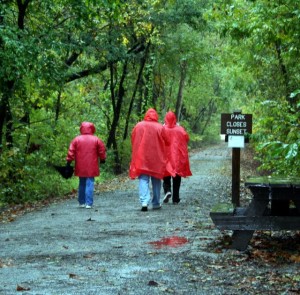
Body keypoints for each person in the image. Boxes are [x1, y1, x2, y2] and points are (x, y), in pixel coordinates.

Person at [129, 108, 174, 212]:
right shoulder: (159, 127)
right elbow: (167, 141)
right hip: (156, 158)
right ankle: (156, 203)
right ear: (156, 116)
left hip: (142, 157)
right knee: (156, 180)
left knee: (143, 179)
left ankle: (144, 202)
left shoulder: (138, 125)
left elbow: (133, 138)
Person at [66, 122, 106, 209]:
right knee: (90, 183)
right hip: (92, 165)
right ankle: (89, 203)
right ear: (92, 128)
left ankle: (81, 202)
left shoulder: (76, 139)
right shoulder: (96, 139)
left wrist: (69, 161)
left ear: (81, 128)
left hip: (80, 166)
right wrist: (103, 159)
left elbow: (71, 151)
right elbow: (102, 150)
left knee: (82, 183)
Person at [162, 111, 192, 204]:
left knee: (166, 175)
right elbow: (187, 138)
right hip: (177, 157)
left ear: (165, 119)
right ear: (175, 119)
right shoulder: (180, 129)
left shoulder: (162, 129)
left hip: (166, 156)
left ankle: (167, 191)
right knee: (177, 177)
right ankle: (175, 198)